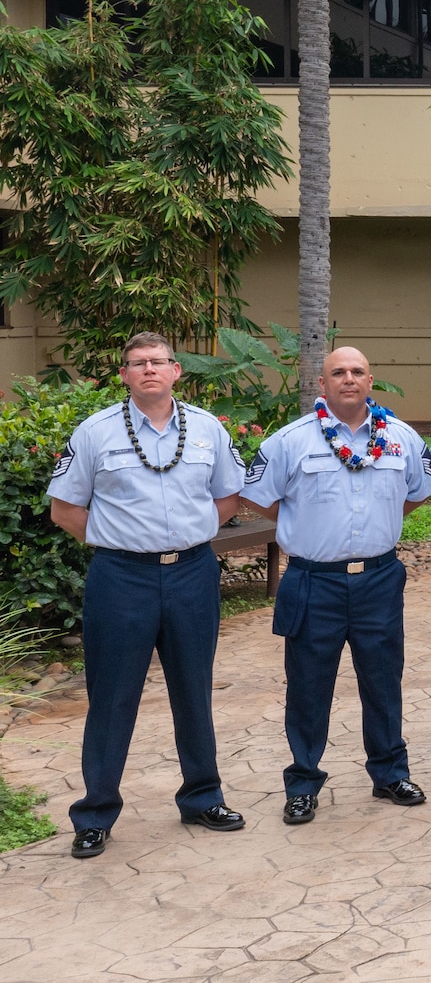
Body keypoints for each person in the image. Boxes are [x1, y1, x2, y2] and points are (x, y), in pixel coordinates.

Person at [48, 333, 248, 858]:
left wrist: (189, 532)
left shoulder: (207, 429)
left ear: (176, 370)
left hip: (192, 573)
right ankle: (95, 814)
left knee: (193, 688)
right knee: (112, 696)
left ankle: (203, 797)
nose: (149, 370)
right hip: (121, 579)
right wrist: (123, 540)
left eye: (158, 362)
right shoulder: (94, 433)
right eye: (138, 363)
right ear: (125, 376)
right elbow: (65, 510)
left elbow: (228, 497)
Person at [239, 346, 431, 824]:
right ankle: (304, 783)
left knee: (383, 679)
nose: (348, 379)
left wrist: (381, 523)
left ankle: (390, 772)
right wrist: (300, 527)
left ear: (372, 381)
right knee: (308, 686)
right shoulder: (290, 442)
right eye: (338, 372)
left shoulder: (401, 439)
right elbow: (257, 497)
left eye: (357, 371)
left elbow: (417, 494)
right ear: (322, 385)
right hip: (314, 581)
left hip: (378, 580)